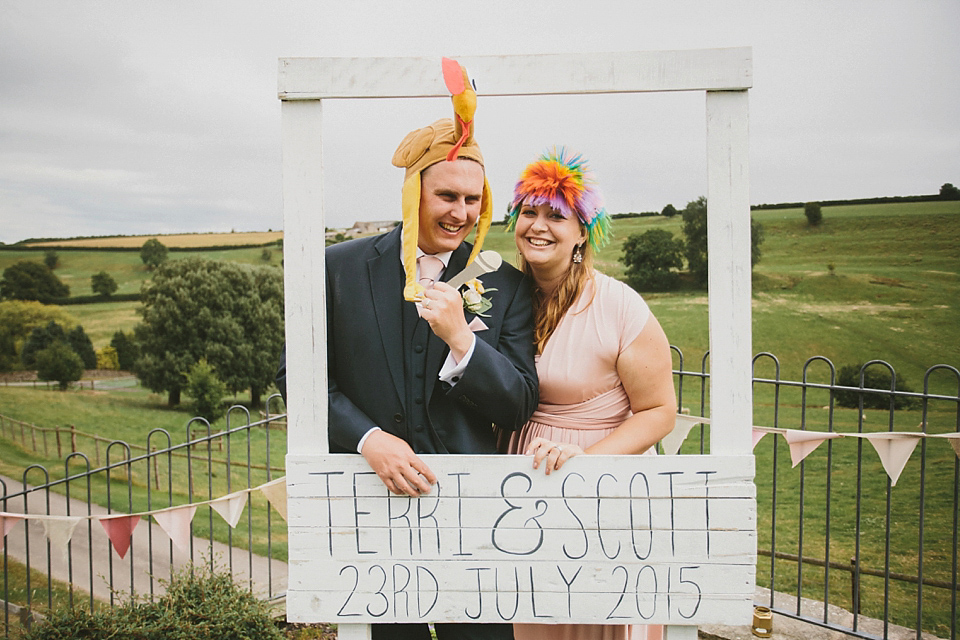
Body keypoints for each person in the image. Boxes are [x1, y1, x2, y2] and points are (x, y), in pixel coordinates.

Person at [276, 60, 538, 640]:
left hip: (475, 514)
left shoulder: (507, 284)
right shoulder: (337, 268)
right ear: (414, 189)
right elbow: (299, 378)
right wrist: (369, 441)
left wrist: (461, 339)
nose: (461, 214)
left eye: (473, 200)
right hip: (371, 505)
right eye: (447, 195)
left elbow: (519, 403)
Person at [500, 148, 677, 640]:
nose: (538, 225)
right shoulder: (497, 296)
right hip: (520, 488)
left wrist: (586, 461)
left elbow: (660, 411)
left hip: (601, 492)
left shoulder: (619, 305)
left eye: (556, 215)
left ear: (582, 231)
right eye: (528, 212)